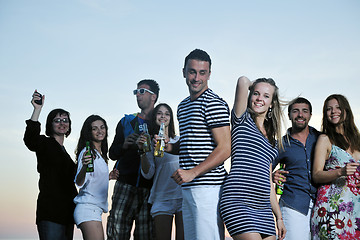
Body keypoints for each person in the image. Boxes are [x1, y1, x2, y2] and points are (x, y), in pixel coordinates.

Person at [169, 49, 231, 240]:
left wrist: (192, 172)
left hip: (209, 189)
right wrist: (168, 147)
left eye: (202, 73)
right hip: (187, 188)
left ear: (209, 74)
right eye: (192, 72)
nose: (196, 78)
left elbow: (225, 148)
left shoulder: (214, 103)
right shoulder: (182, 106)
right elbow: (189, 143)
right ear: (184, 72)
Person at [220, 76, 286, 240]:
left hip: (263, 209)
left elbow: (268, 181)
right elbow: (243, 81)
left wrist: (278, 217)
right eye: (256, 93)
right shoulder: (241, 119)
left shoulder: (273, 141)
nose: (259, 99)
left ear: (272, 103)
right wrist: (256, 86)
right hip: (238, 201)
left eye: (266, 96)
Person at [107, 79, 160, 240]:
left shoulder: (160, 124)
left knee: (145, 236)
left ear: (153, 97)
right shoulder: (126, 121)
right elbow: (112, 153)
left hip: (150, 190)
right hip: (125, 186)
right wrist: (124, 145)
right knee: (116, 235)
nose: (137, 95)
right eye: (136, 92)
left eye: (142, 91)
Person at [23, 90, 78, 240]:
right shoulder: (45, 143)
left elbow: (77, 179)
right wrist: (37, 109)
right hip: (50, 212)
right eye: (57, 120)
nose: (62, 123)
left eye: (65, 120)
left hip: (67, 214)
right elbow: (30, 139)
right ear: (50, 124)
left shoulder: (67, 155)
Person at [311, 94, 360, 239]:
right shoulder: (325, 139)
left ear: (346, 110)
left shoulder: (357, 140)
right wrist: (341, 172)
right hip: (333, 207)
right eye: (329, 109)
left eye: (338, 107)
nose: (333, 112)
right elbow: (316, 174)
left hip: (355, 206)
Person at [272, 97, 319, 240]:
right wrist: (272, 175)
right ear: (289, 115)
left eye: (305, 111)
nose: (300, 115)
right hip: (293, 204)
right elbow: (262, 170)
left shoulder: (320, 138)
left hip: (320, 204)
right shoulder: (281, 144)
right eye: (295, 111)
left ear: (310, 115)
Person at [138, 103, 184, 240]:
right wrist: (143, 151)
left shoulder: (179, 141)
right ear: (154, 117)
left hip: (182, 195)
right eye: (159, 113)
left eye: (167, 113)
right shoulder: (150, 142)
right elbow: (148, 174)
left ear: (171, 118)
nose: (163, 116)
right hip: (162, 196)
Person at [73, 115, 119, 240]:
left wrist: (107, 177)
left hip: (95, 209)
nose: (100, 131)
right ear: (89, 132)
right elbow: (79, 182)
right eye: (95, 128)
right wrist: (83, 167)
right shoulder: (87, 153)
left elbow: (92, 179)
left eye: (102, 127)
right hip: (87, 208)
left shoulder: (100, 155)